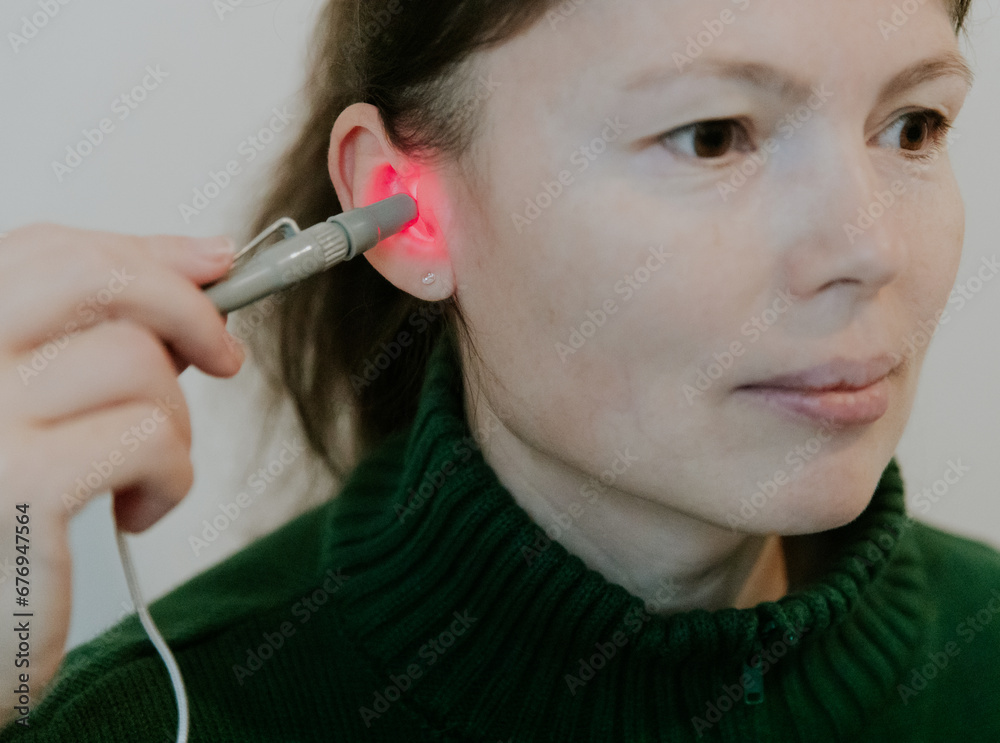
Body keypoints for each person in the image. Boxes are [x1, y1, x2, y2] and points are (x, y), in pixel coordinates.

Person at [2, 0, 999, 740]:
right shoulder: (145, 716)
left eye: (913, 125)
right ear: (399, 208)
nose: (868, 250)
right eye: (710, 137)